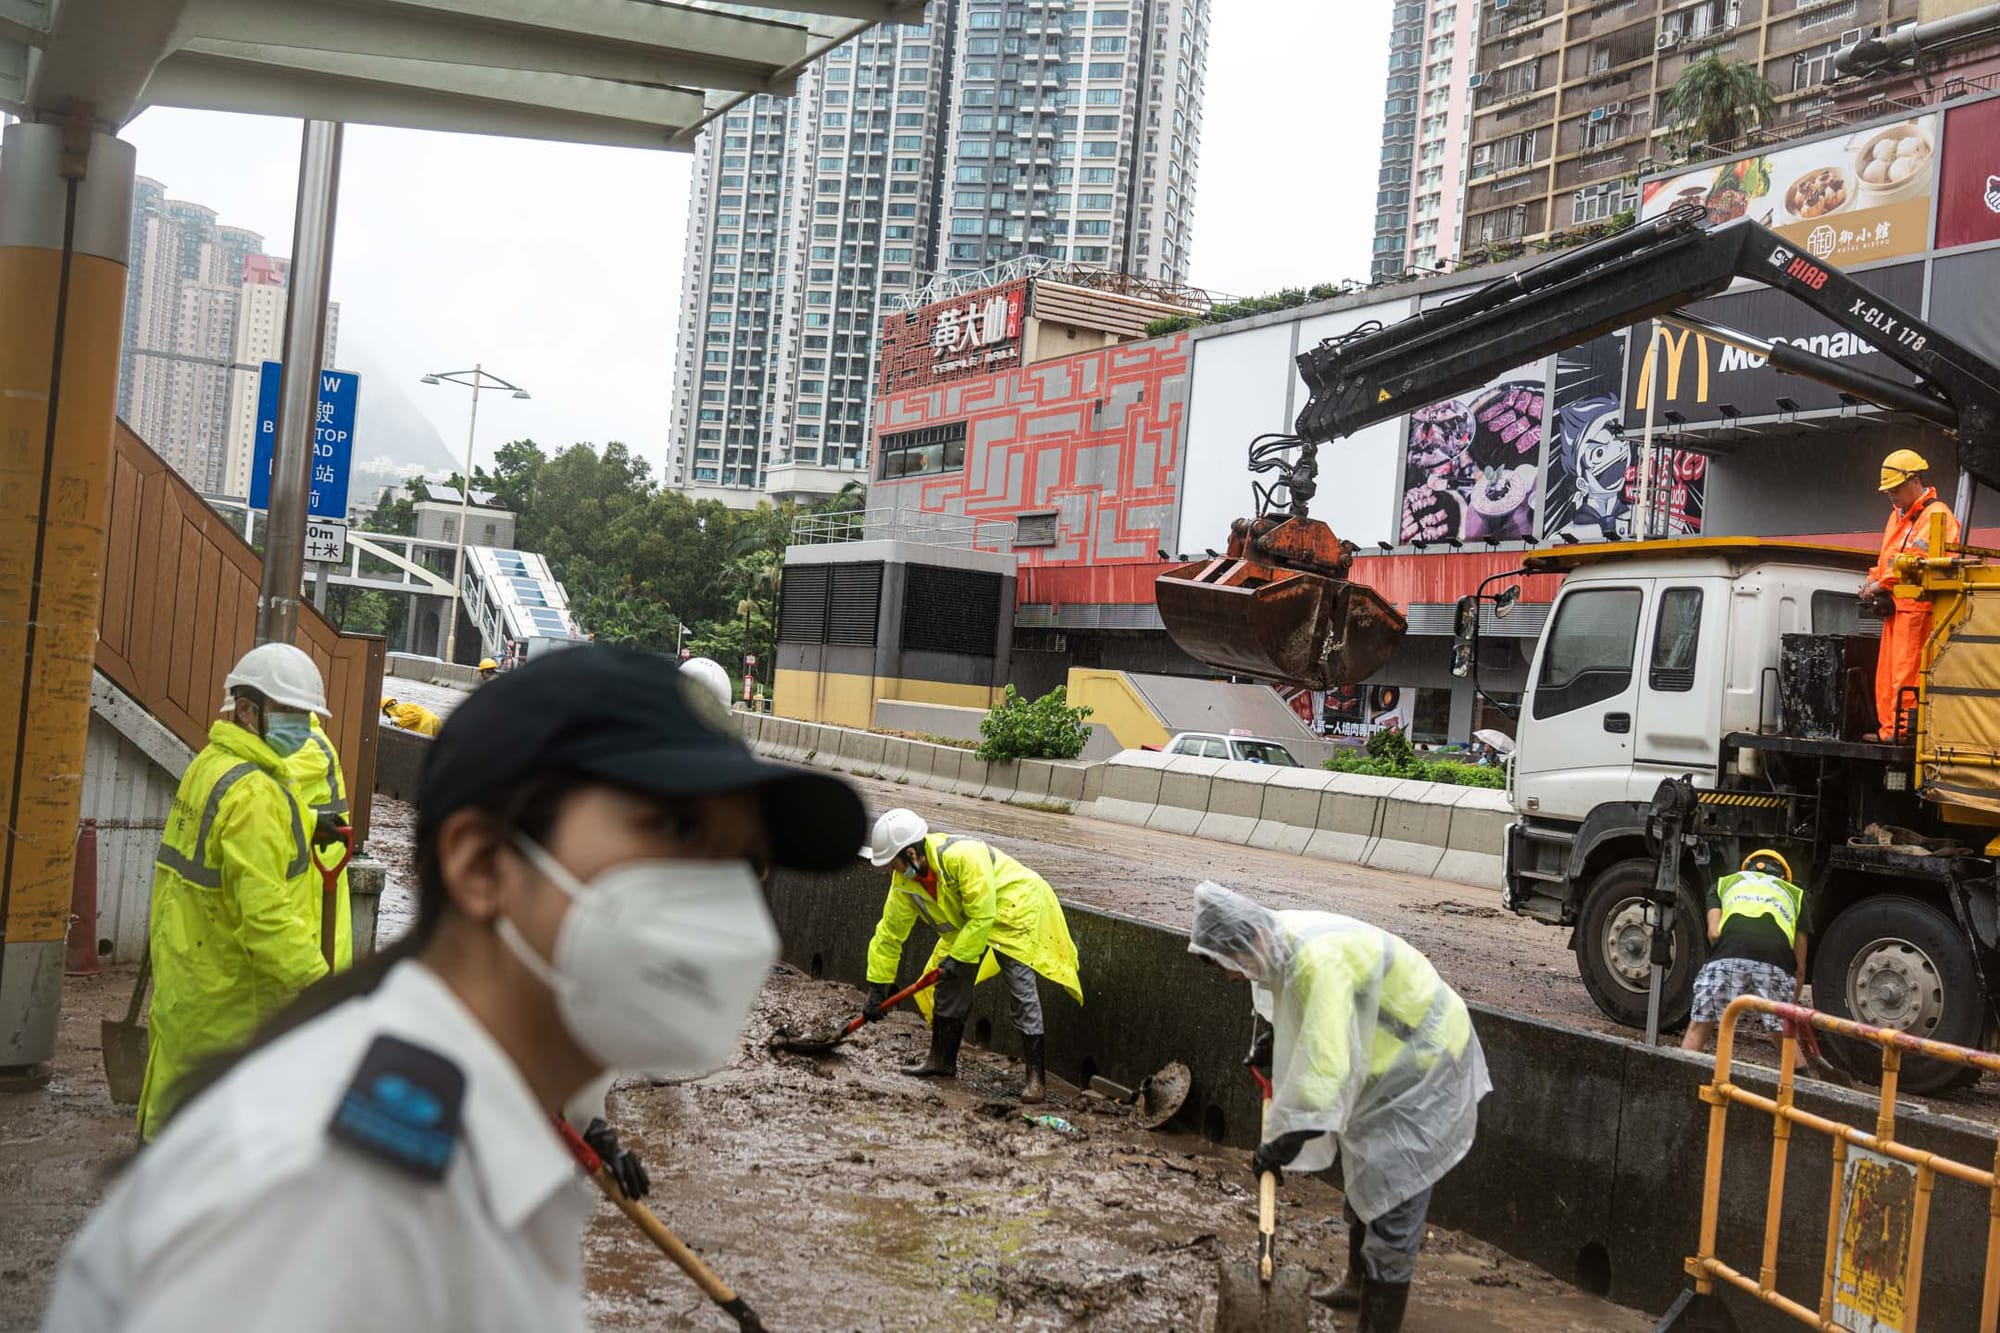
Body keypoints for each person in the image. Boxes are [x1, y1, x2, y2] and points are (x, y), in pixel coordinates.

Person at [46, 646, 866, 1331]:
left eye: (739, 858)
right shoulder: (330, 1203)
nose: (720, 902)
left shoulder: (488, 1155)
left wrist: (593, 1132)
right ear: (481, 864)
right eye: (677, 830)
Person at [1189, 882, 1489, 1333]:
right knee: (1364, 1170)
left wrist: (1282, 1144)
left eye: (1233, 968)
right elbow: (1317, 1014)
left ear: (1250, 940)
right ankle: (1355, 1283)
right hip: (1382, 1055)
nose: (1237, 977)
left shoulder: (1315, 961)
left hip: (1425, 1063)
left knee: (1393, 1192)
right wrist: (1277, 1040)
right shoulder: (1280, 938)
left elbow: (1324, 1079)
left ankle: (1378, 1323)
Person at [138, 644, 333, 1140]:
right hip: (235, 993)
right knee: (222, 1136)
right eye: (290, 712)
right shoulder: (257, 794)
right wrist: (321, 986)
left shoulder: (212, 765)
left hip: (191, 977)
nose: (303, 725)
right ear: (248, 711)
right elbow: (265, 916)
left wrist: (308, 821)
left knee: (177, 1108)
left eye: (307, 714)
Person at [858, 809, 1082, 1104]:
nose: (892, 871)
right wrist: (878, 987)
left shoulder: (963, 857)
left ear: (911, 853)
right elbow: (889, 934)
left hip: (1016, 909)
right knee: (949, 985)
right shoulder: (906, 884)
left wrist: (958, 957)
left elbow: (983, 915)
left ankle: (1036, 1080)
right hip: (971, 927)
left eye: (893, 863)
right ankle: (940, 1061)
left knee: (1020, 990)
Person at [1861, 449, 1959, 740]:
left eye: (1895, 488)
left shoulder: (1937, 515)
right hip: (1896, 606)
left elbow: (1918, 558)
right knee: (1888, 674)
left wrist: (1881, 584)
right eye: (1888, 490)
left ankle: (1902, 732)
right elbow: (1888, 559)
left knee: (1907, 672)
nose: (1891, 495)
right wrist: (1873, 581)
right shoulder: (1898, 517)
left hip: (1917, 609)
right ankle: (1889, 729)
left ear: (1914, 480)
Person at [1682, 850, 1808, 1069]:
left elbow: (1713, 933)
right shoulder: (1794, 894)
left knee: (1698, 1027)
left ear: (1746, 869)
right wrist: (1792, 1009)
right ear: (1784, 875)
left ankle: (1676, 1081)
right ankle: (1803, 1092)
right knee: (1784, 1037)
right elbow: (1799, 965)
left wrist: (1732, 964)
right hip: (1775, 962)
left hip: (1727, 955)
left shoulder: (1725, 884)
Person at [283, 711, 355, 972]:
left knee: (320, 945)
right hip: (310, 862)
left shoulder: (308, 745)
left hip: (318, 866)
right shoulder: (296, 740)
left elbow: (262, 779)